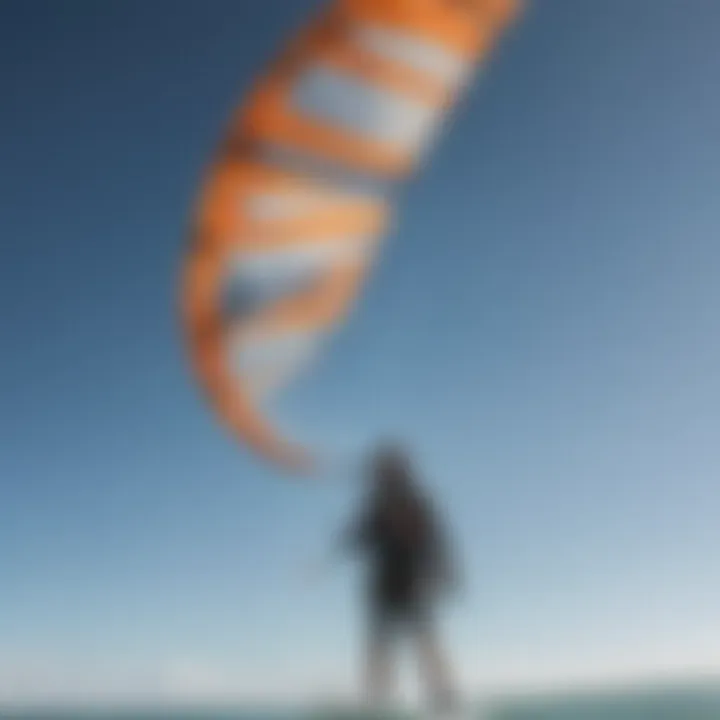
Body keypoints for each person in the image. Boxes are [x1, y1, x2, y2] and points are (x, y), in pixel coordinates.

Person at [338, 442, 461, 713]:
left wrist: (447, 572)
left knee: (423, 641)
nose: (381, 476)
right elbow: (357, 537)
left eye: (385, 470)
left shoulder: (415, 502)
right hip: (385, 586)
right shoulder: (376, 506)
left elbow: (436, 540)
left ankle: (443, 699)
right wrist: (347, 540)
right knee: (382, 645)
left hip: (411, 584)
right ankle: (376, 700)